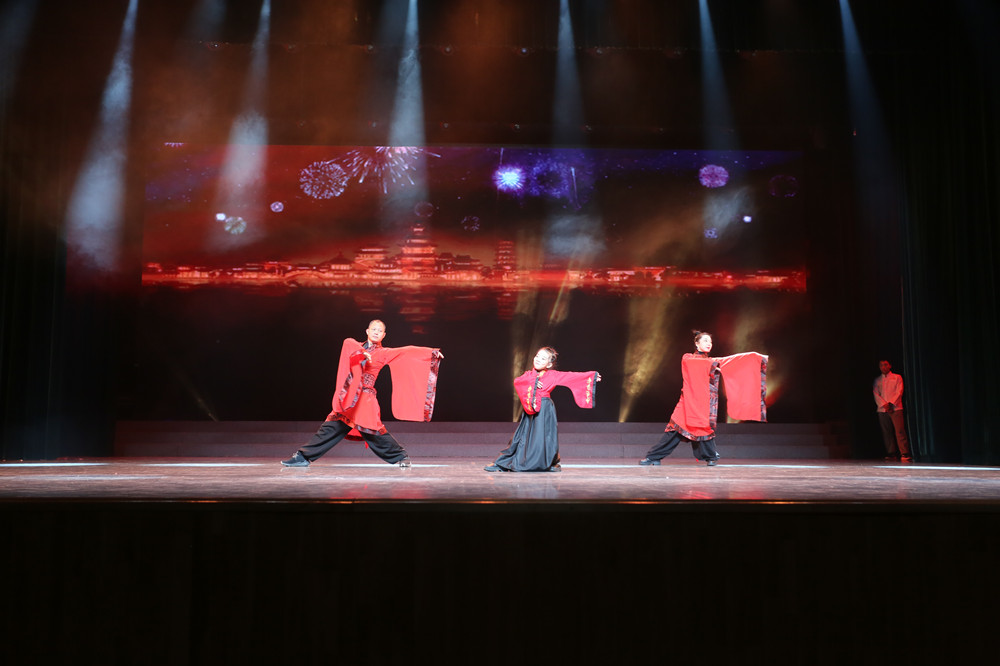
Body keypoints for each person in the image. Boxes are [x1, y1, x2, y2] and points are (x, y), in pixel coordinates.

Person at [281, 320, 443, 468]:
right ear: (367, 331)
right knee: (331, 427)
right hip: (350, 395)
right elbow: (348, 342)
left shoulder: (383, 353)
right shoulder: (355, 346)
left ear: (384, 335)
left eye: (380, 331)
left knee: (374, 431)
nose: (376, 332)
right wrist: (360, 353)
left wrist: (431, 354)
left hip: (365, 399)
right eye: (374, 329)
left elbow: (406, 351)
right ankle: (303, 457)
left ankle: (401, 456)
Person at [639, 330, 768, 467]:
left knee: (703, 428)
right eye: (705, 341)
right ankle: (653, 457)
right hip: (687, 402)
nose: (709, 344)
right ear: (697, 343)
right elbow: (704, 363)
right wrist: (717, 364)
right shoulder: (688, 358)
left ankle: (711, 457)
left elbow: (728, 361)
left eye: (710, 342)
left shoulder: (710, 362)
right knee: (674, 430)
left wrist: (752, 358)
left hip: (703, 403)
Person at [484, 347, 601, 472]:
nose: (538, 359)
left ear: (549, 364)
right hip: (531, 408)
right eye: (537, 356)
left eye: (543, 358)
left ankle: (550, 463)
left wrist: (592, 376)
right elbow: (518, 381)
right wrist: (532, 382)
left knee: (545, 437)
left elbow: (571, 376)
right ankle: (504, 462)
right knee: (521, 436)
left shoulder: (553, 375)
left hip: (544, 408)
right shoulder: (529, 375)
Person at [874, 359, 912, 462]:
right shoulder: (877, 380)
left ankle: (904, 452)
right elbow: (876, 394)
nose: (883, 367)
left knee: (899, 430)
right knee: (887, 432)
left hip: (895, 407)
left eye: (885, 365)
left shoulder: (897, 377)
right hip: (882, 409)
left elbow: (899, 391)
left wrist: (891, 403)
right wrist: (884, 405)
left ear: (890, 365)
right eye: (881, 365)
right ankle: (891, 453)